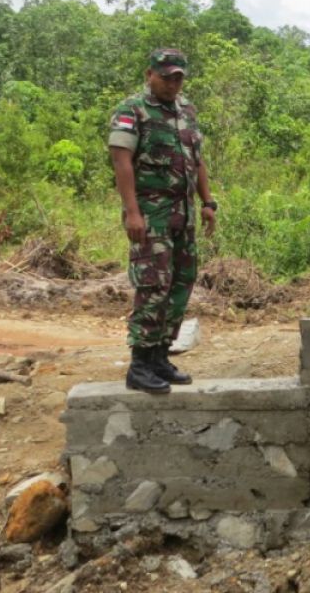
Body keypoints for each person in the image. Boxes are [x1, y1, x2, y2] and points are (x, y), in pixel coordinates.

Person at [108, 48, 217, 394]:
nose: (172, 83)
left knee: (180, 284)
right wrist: (133, 211)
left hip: (182, 216)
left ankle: (159, 356)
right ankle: (139, 364)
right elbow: (121, 162)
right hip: (151, 216)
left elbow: (196, 160)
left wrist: (208, 202)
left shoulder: (186, 111)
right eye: (166, 76)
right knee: (154, 285)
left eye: (178, 77)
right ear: (149, 75)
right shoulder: (132, 111)